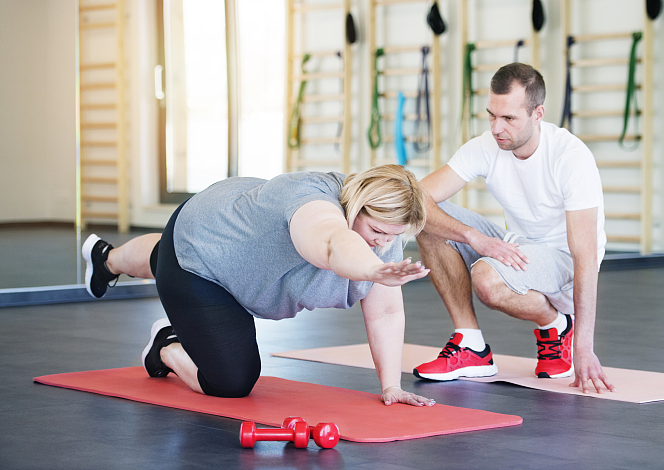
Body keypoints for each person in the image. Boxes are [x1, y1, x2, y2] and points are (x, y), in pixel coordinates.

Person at [82, 165, 436, 407]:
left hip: (229, 238)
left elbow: (386, 313)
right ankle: (166, 345)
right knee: (232, 383)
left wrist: (391, 386)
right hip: (204, 252)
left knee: (165, 254)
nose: (382, 244)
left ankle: (107, 259)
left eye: (392, 237)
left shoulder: (383, 230)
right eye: (376, 233)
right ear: (356, 204)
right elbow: (331, 243)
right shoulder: (313, 201)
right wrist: (372, 269)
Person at [412, 63, 615, 394]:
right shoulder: (486, 145)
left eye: (508, 118)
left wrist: (584, 348)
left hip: (562, 256)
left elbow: (585, 257)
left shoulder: (570, 157)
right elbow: (419, 196)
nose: (496, 127)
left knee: (486, 278)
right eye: (491, 115)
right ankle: (471, 346)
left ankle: (559, 326)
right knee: (427, 220)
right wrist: (473, 237)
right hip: (518, 243)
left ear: (538, 114)